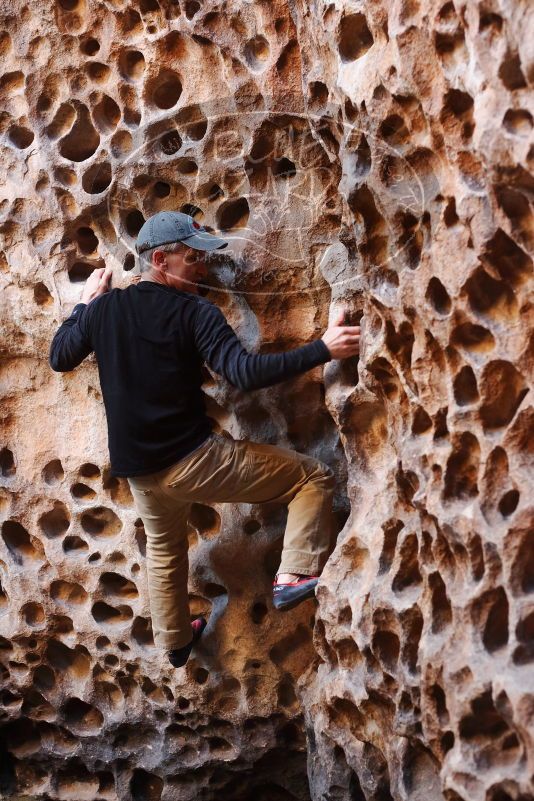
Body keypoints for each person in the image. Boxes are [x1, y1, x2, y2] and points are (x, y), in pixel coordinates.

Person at [49, 211, 361, 667]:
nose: (203, 268)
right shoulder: (195, 312)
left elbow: (60, 356)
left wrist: (85, 304)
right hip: (192, 461)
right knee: (312, 478)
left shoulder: (104, 309)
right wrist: (324, 348)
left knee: (164, 547)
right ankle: (294, 574)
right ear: (161, 259)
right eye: (193, 258)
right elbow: (243, 374)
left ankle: (174, 643)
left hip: (138, 471)